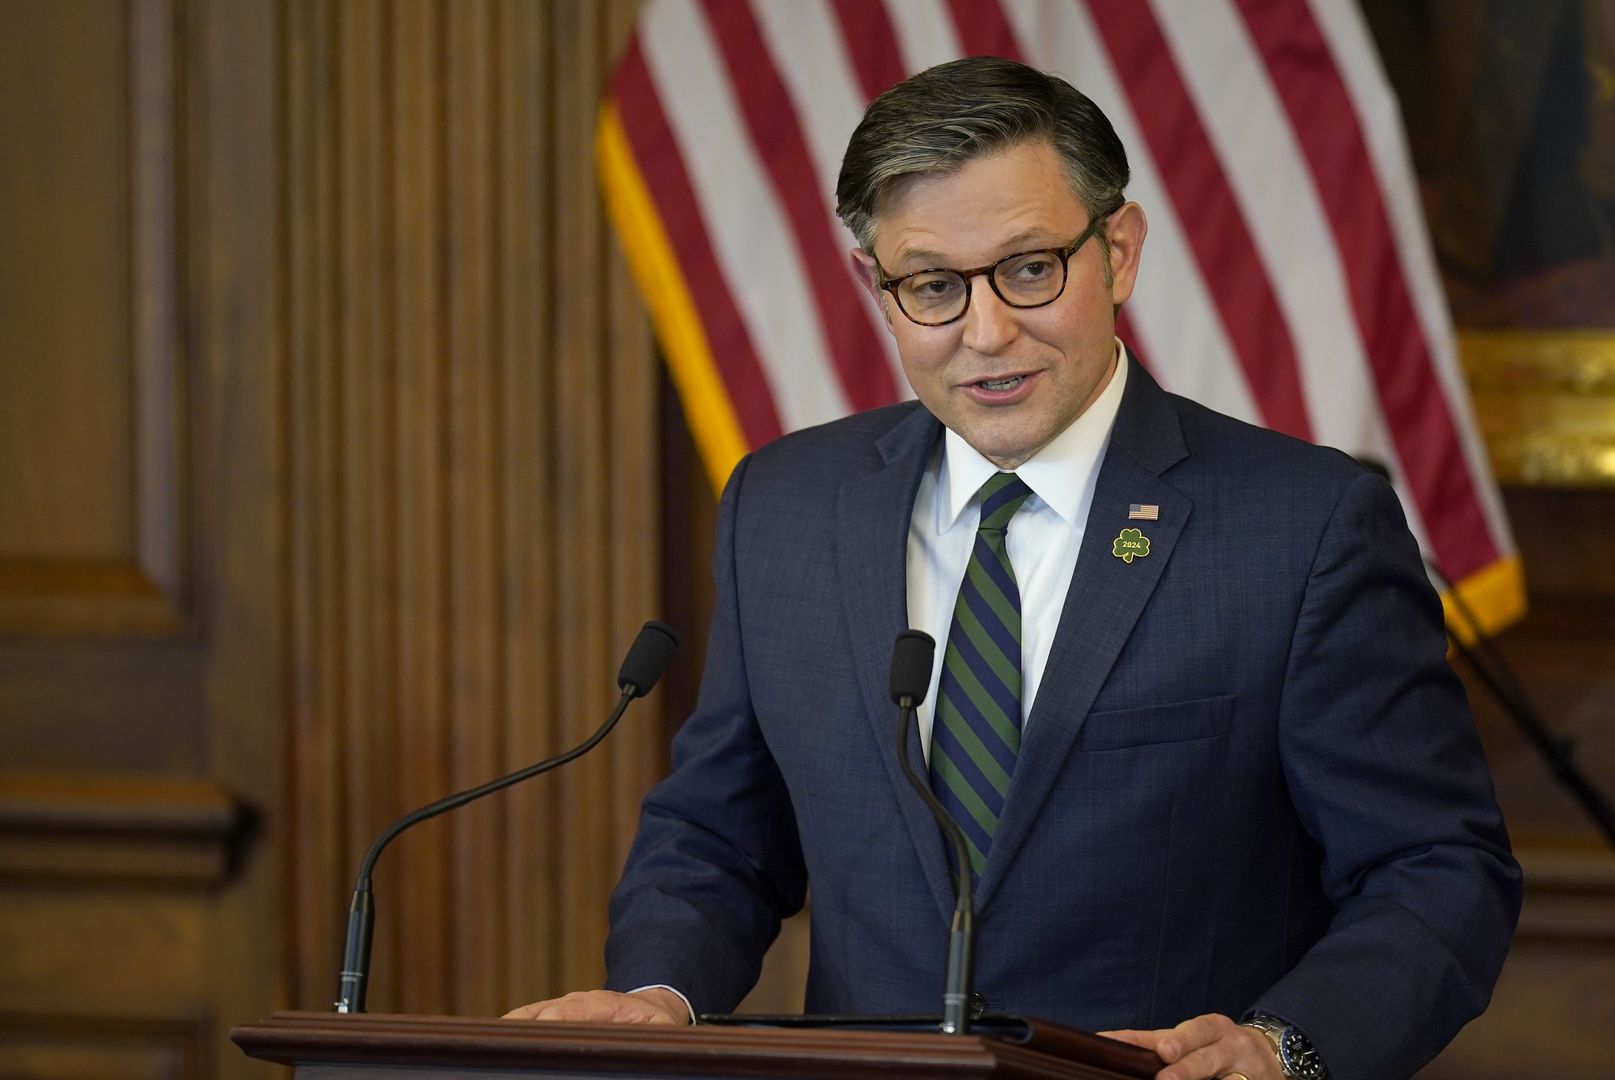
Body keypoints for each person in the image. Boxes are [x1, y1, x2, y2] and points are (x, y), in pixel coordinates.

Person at [507, 56, 1521, 1080]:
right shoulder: (784, 509)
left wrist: (1285, 1046)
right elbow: (721, 833)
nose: (987, 334)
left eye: (1031, 269)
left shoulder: (1301, 526)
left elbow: (1437, 869)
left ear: (1118, 253)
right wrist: (656, 995)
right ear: (879, 288)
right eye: (934, 287)